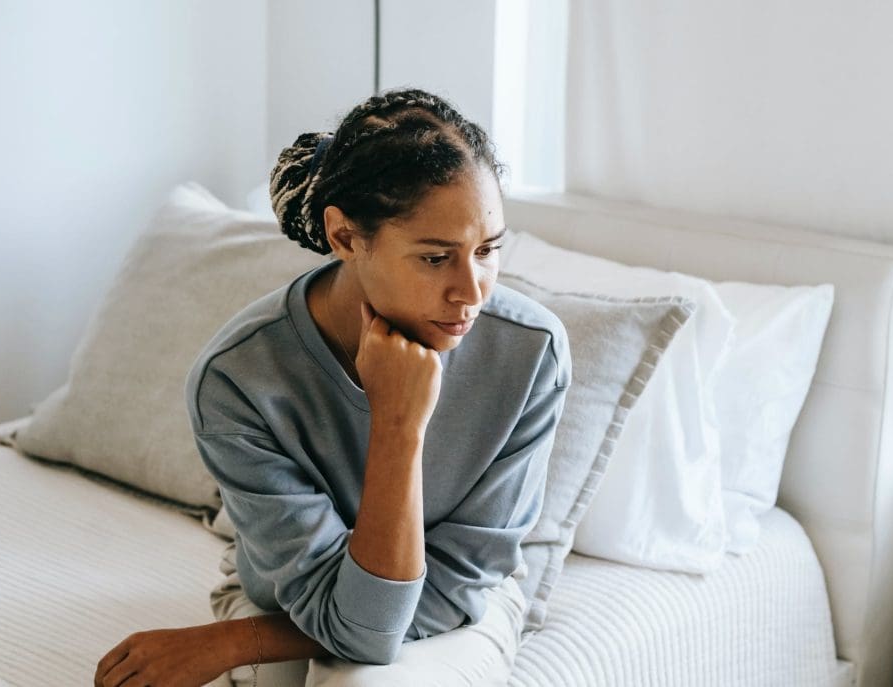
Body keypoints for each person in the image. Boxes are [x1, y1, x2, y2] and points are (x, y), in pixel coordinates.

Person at [93, 87, 571, 687]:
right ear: (345, 237)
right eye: (434, 258)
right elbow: (345, 619)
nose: (472, 292)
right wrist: (394, 421)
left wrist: (232, 644)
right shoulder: (239, 380)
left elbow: (420, 605)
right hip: (286, 596)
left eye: (488, 250)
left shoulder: (530, 353)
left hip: (455, 608)